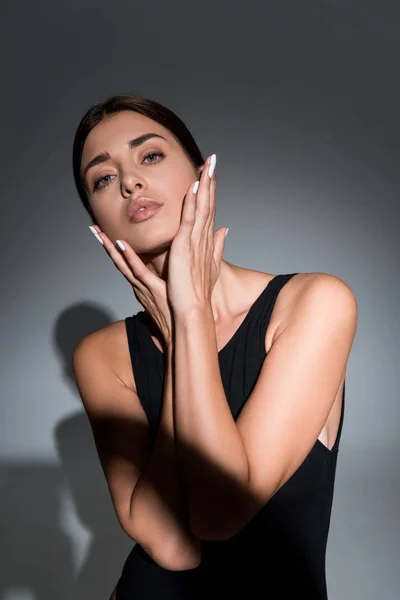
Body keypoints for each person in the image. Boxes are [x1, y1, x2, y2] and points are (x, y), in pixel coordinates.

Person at [71, 94, 358, 599]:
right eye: (103, 178)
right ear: (97, 222)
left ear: (204, 176)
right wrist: (186, 330)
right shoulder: (100, 355)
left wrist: (189, 318)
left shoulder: (315, 303)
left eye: (150, 156)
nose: (130, 182)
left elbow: (219, 513)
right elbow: (173, 547)